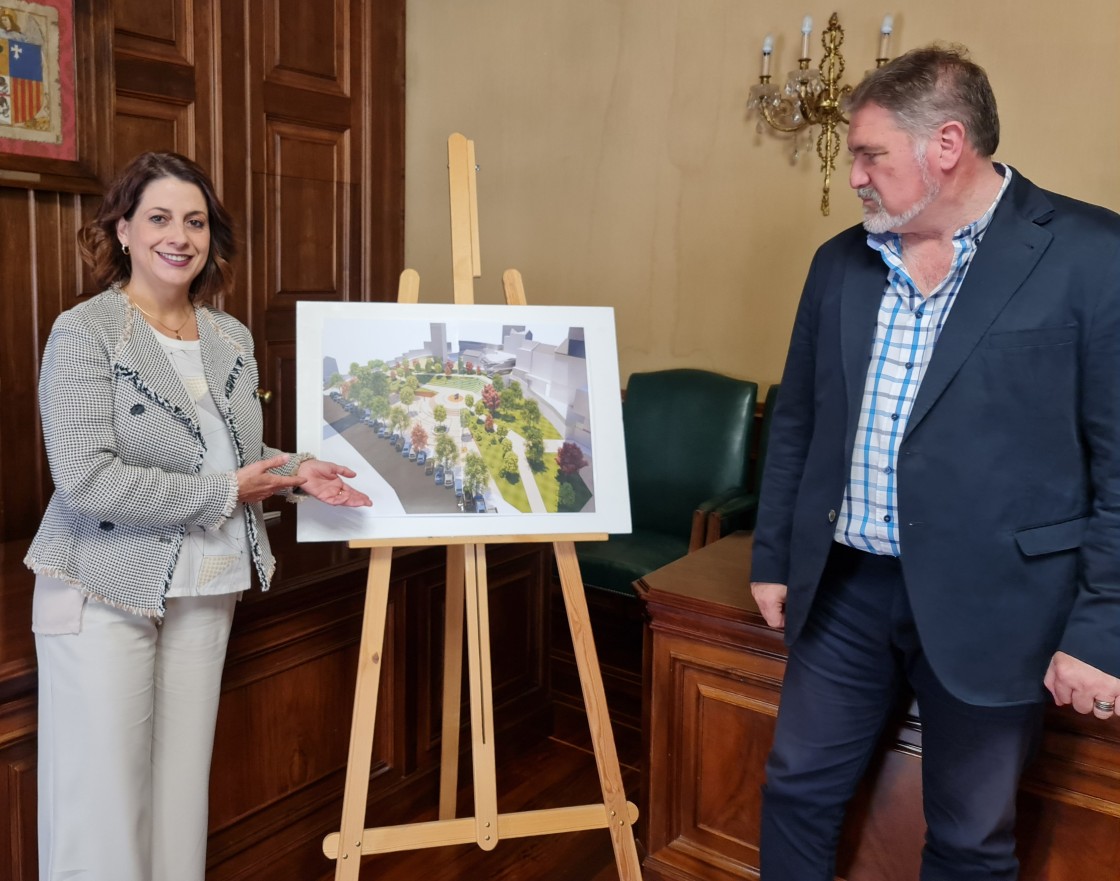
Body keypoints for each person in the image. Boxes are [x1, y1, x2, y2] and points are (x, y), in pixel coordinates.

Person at [749, 45, 1120, 881]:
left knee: (969, 840)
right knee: (796, 791)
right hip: (846, 588)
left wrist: (1101, 631)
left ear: (945, 146)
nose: (854, 176)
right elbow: (799, 423)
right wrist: (773, 556)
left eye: (869, 153)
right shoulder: (840, 261)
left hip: (1001, 606)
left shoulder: (1095, 257)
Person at [25, 151, 372, 881]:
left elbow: (228, 454)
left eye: (195, 220)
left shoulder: (229, 336)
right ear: (122, 230)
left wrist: (294, 471)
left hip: (206, 582)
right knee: (104, 806)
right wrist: (225, 492)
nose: (178, 235)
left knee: (182, 795)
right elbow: (86, 479)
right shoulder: (84, 332)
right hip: (102, 586)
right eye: (158, 218)